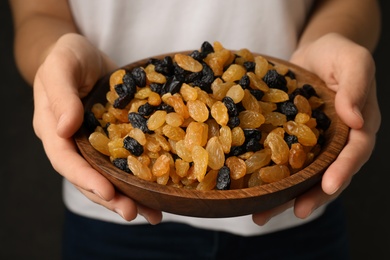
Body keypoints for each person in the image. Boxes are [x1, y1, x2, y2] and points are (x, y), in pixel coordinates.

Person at [9, 0, 381, 259]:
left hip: (295, 219)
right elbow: (39, 12)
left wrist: (334, 35)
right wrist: (52, 57)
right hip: (112, 218)